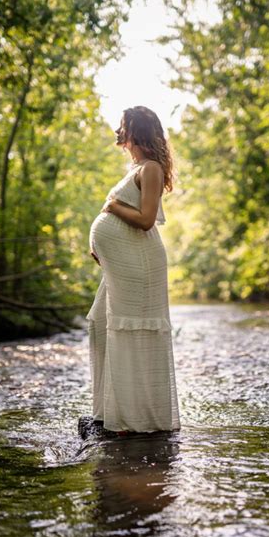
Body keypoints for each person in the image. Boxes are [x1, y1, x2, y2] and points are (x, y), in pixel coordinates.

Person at [84, 106, 181, 436]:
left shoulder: (151, 167)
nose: (117, 130)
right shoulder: (138, 167)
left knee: (131, 333)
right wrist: (101, 245)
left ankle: (131, 422)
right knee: (99, 324)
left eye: (123, 125)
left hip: (141, 265)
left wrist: (112, 206)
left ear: (136, 131)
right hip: (123, 263)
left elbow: (145, 219)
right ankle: (106, 411)